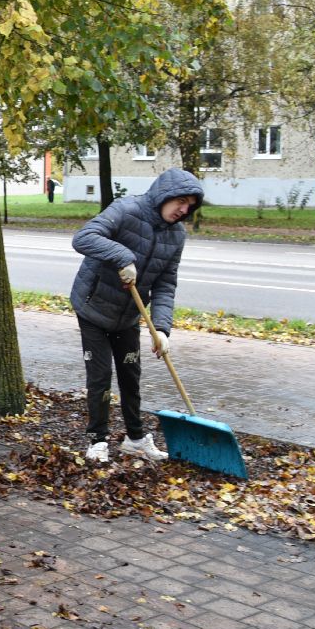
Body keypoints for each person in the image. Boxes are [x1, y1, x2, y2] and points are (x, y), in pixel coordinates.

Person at [69, 167, 205, 464]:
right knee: (101, 375)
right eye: (181, 201)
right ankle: (98, 441)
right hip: (93, 306)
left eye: (190, 206)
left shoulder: (176, 235)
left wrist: (162, 329)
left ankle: (135, 439)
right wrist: (123, 257)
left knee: (131, 375)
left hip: (129, 314)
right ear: (164, 195)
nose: (184, 210)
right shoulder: (126, 209)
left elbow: (166, 283)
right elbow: (83, 238)